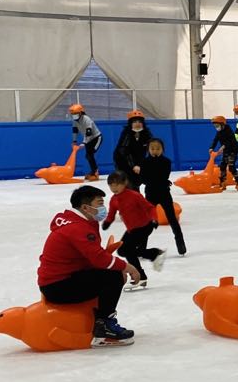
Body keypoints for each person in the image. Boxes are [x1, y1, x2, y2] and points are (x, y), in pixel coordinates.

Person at [37, 184, 139, 345]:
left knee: (112, 273)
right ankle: (104, 325)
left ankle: (98, 320)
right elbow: (99, 259)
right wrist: (128, 267)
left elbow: (92, 256)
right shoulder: (78, 227)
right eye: (99, 203)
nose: (103, 208)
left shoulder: (79, 222)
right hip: (58, 286)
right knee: (113, 276)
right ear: (85, 207)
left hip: (58, 280)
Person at [103, 172, 166, 290]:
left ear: (124, 183)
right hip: (132, 229)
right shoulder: (114, 200)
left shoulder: (134, 195)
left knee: (126, 250)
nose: (114, 188)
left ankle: (141, 276)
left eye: (117, 185)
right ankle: (153, 254)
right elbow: (111, 213)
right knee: (122, 251)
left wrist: (154, 219)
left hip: (145, 226)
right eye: (111, 185)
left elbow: (150, 207)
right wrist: (107, 222)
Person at [139, 138, 185, 255]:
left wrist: (154, 179)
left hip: (164, 193)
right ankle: (141, 248)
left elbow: (163, 176)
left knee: (172, 219)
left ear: (162, 150)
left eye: (158, 149)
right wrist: (155, 179)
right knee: (147, 221)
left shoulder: (166, 162)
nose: (155, 151)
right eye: (152, 148)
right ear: (148, 149)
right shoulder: (144, 162)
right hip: (150, 194)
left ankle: (181, 245)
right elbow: (143, 179)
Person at [112, 110, 151, 190]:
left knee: (137, 180)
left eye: (140, 121)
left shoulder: (146, 133)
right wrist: (133, 165)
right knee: (127, 180)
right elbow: (124, 150)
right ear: (130, 123)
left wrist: (139, 164)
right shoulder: (127, 133)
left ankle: (136, 193)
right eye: (135, 122)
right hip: (122, 159)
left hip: (136, 159)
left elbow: (145, 151)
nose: (137, 123)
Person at [210, 115, 238, 191]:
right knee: (222, 166)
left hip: (233, 150)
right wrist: (211, 147)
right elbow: (215, 140)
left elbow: (230, 141)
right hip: (226, 150)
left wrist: (223, 147)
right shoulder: (219, 132)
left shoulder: (228, 130)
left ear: (222, 124)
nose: (216, 127)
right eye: (215, 126)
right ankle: (222, 182)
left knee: (231, 166)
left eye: (217, 126)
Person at [69, 103, 102, 181]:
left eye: (76, 114)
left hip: (96, 138)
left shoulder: (87, 119)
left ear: (80, 113)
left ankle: (95, 173)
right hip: (88, 139)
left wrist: (84, 142)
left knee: (90, 154)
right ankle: (93, 171)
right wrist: (74, 141)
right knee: (88, 156)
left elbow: (88, 133)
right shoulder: (75, 121)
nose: (74, 116)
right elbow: (75, 131)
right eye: (73, 114)